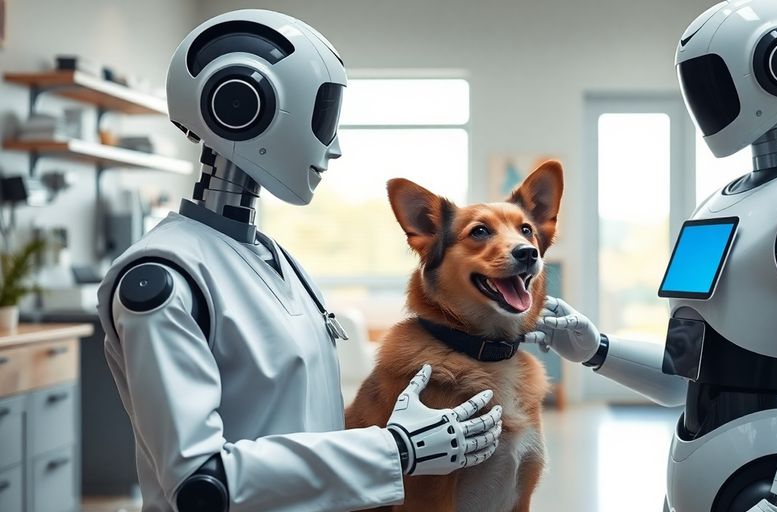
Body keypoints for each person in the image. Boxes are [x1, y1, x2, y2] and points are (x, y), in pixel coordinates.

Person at [97, 10, 501, 512]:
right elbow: (200, 485)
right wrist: (398, 448)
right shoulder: (165, 277)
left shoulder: (272, 258)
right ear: (245, 106)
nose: (333, 147)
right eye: (324, 118)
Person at [526, 1, 777, 511]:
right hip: (699, 457)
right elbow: (683, 374)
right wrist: (596, 348)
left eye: (712, 76)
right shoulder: (723, 201)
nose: (705, 97)